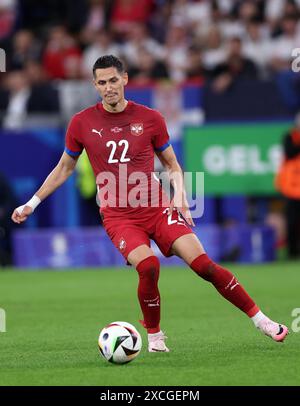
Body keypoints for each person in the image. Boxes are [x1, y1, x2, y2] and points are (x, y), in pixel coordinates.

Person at [11, 55, 288, 352]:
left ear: (125, 79)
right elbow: (64, 168)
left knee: (204, 266)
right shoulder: (81, 123)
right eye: (102, 83)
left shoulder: (150, 118)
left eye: (113, 80)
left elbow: (171, 163)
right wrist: (32, 203)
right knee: (149, 265)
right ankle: (155, 337)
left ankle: (261, 320)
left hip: (157, 207)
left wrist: (180, 194)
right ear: (95, 85)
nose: (108, 88)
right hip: (119, 216)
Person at [275, 112, 300, 258]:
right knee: (291, 221)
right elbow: (290, 152)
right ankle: (292, 252)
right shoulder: (290, 137)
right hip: (291, 188)